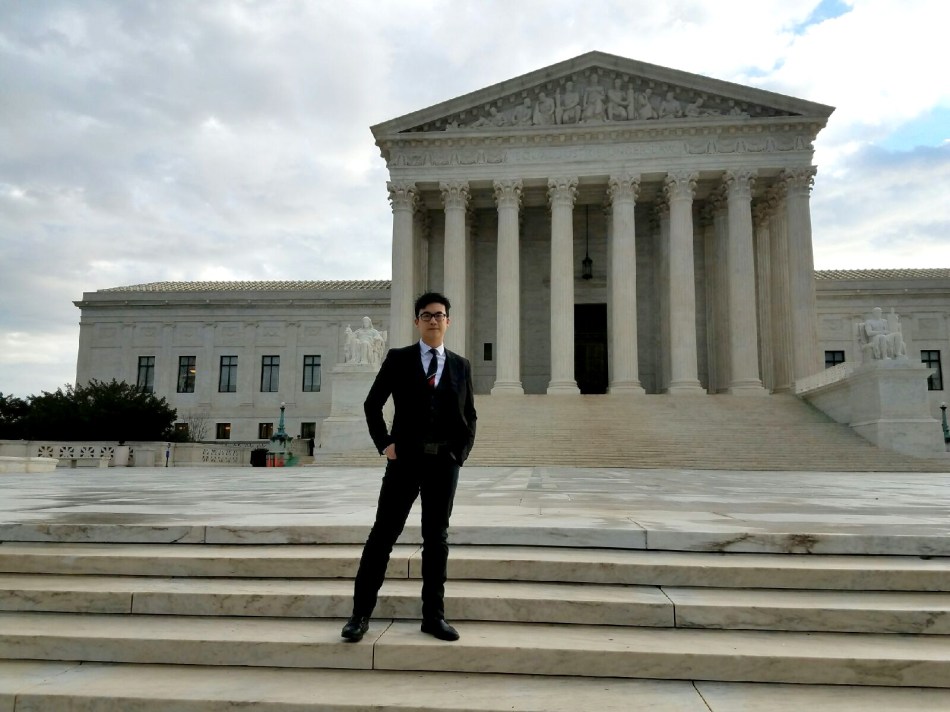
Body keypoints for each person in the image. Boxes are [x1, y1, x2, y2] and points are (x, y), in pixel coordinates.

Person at [341, 292, 477, 643]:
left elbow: (469, 414)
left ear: (449, 321)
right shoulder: (399, 359)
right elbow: (373, 404)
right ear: (417, 321)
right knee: (382, 536)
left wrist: (459, 453)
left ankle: (433, 617)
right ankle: (359, 615)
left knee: (436, 540)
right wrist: (385, 443)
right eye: (427, 315)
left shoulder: (461, 365)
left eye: (440, 315)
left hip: (443, 463)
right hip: (405, 462)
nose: (434, 320)